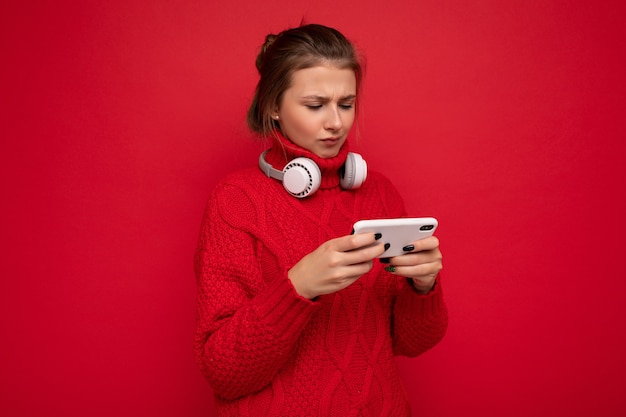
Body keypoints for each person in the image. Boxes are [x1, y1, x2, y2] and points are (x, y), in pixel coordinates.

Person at [194, 23, 448, 416]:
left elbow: (413, 343)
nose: (336, 123)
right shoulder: (236, 201)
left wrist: (424, 287)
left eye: (346, 104)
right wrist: (299, 285)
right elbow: (224, 371)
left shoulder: (380, 193)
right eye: (315, 105)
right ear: (273, 106)